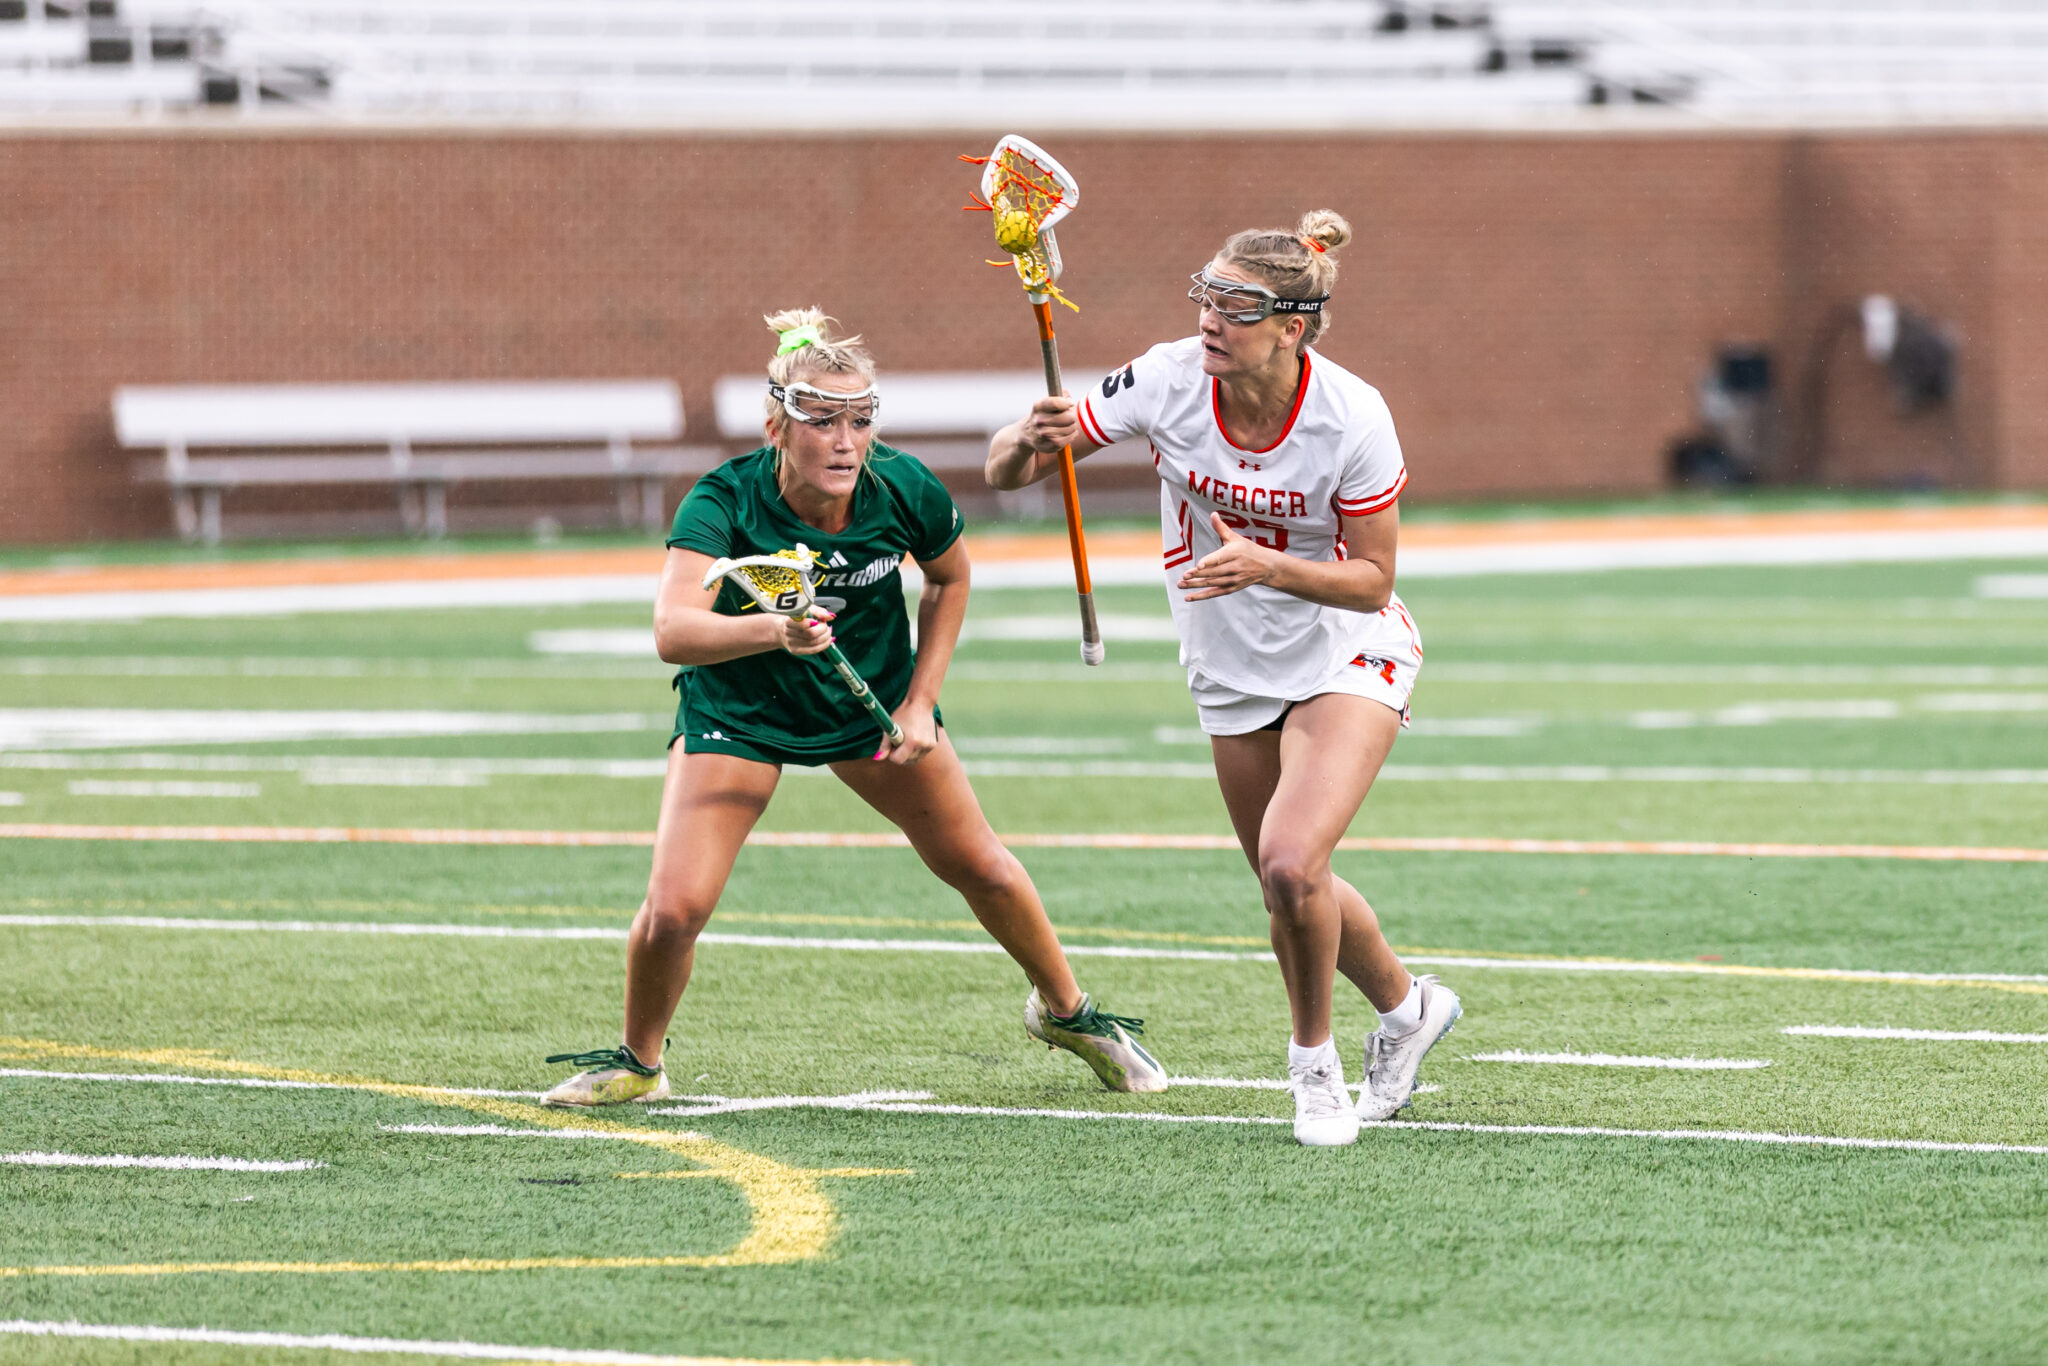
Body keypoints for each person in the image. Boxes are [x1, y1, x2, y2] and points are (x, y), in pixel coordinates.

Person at [543, 308, 1167, 1106]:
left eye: (861, 420)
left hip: (868, 708)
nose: (845, 441)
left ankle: (1068, 1012)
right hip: (740, 712)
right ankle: (640, 1063)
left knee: (979, 865)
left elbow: (951, 578)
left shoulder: (901, 487)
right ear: (776, 423)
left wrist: (921, 703)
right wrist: (776, 631)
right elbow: (672, 630)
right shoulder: (724, 498)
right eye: (823, 420)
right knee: (675, 909)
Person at [986, 213, 1458, 1146]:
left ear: (1293, 324)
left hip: (1344, 646)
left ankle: (1313, 1070)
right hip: (1229, 659)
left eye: (1236, 305)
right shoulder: (1166, 378)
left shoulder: (1351, 414)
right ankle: (1409, 1012)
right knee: (1289, 881)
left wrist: (1268, 565)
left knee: (1290, 861)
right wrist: (1023, 437)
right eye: (1205, 293)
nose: (1211, 317)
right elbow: (1013, 473)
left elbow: (1373, 581)